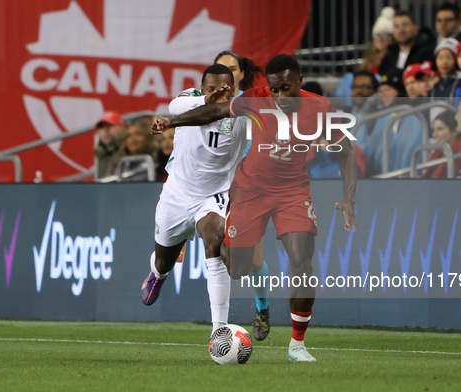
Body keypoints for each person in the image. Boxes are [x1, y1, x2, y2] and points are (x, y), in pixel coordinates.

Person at [150, 54, 358, 362]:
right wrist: (171, 122)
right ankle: (253, 299)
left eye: (285, 88)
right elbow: (211, 111)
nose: (278, 96)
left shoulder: (321, 109)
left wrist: (350, 199)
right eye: (274, 89)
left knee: (303, 261)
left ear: (299, 82)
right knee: (237, 266)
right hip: (247, 191)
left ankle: (296, 345)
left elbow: (347, 151)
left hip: (291, 192)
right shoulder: (253, 99)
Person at [140, 65, 247, 341]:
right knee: (165, 260)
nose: (219, 94)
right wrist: (205, 100)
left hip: (213, 196)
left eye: (226, 90)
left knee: (214, 239)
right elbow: (175, 105)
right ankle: (158, 272)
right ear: (202, 88)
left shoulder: (243, 110)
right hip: (176, 195)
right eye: (212, 89)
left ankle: (219, 332)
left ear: (235, 90)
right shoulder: (189, 100)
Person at [215, 51, 270, 340]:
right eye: (221, 67)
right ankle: (218, 325)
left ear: (240, 75)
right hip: (211, 189)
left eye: (232, 68)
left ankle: (262, 306)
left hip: (248, 189)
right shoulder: (202, 104)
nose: (226, 72)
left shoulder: (253, 103)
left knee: (253, 264)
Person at [378, 10, 436, 76]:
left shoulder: (427, 53)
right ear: (393, 32)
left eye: (405, 25)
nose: (401, 30)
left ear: (416, 29)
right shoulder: (388, 55)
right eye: (396, 26)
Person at [361, 6, 395, 74]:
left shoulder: (394, 58)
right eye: (376, 34)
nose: (379, 38)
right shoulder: (368, 58)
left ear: (391, 37)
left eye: (383, 34)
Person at [93, 111, 126, 180]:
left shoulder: (130, 149)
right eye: (102, 127)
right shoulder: (99, 152)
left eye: (110, 125)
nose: (105, 130)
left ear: (122, 127)